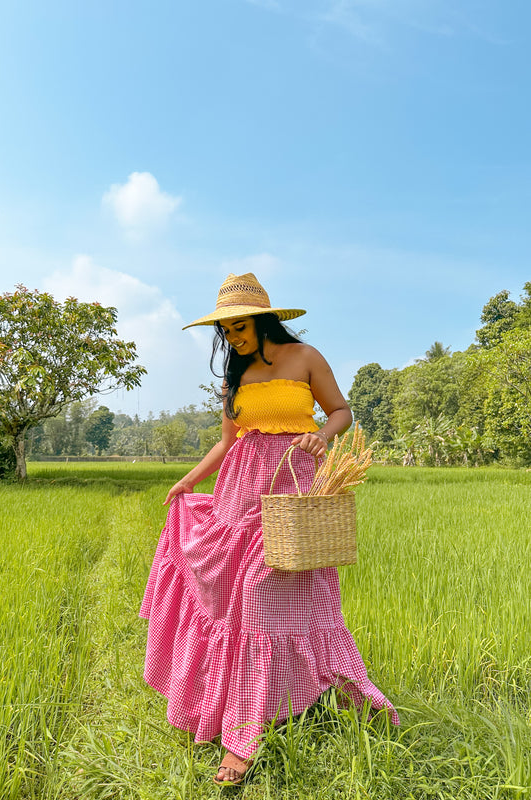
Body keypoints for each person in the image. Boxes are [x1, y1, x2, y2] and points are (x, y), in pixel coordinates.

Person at [140, 273, 399, 785]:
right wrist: (187, 480)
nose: (232, 338)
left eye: (239, 327)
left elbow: (341, 411)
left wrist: (322, 437)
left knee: (277, 596)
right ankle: (247, 720)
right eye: (226, 331)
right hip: (241, 491)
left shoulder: (306, 358)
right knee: (241, 600)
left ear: (262, 321)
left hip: (295, 486)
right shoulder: (234, 378)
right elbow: (226, 442)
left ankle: (271, 720)